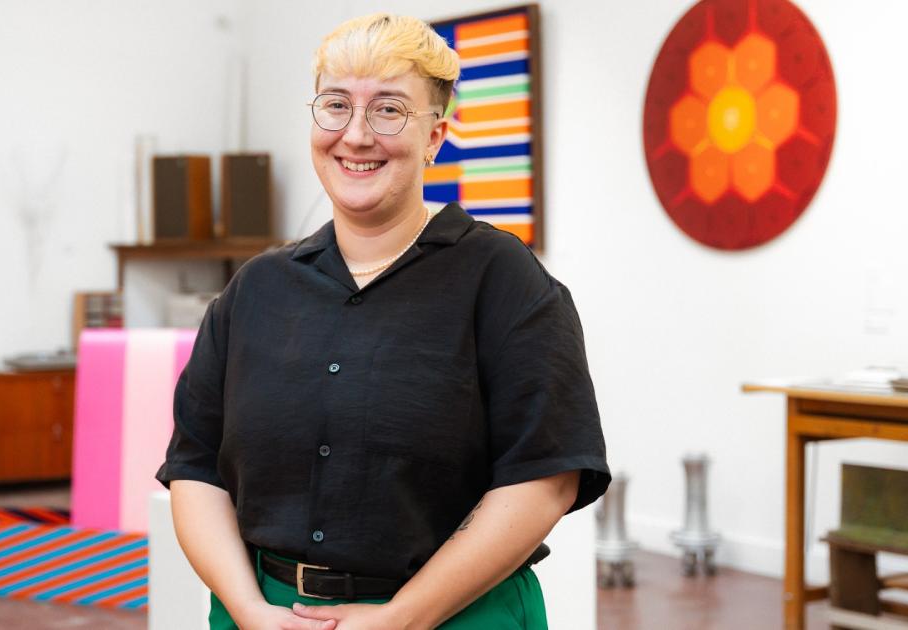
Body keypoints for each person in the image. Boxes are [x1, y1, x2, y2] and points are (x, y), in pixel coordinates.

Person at [156, 13, 610, 630]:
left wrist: (404, 617)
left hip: (457, 615)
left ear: (434, 135)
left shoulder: (502, 278)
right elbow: (195, 468)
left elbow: (546, 477)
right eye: (335, 105)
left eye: (389, 110)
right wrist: (247, 608)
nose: (356, 135)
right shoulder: (255, 290)